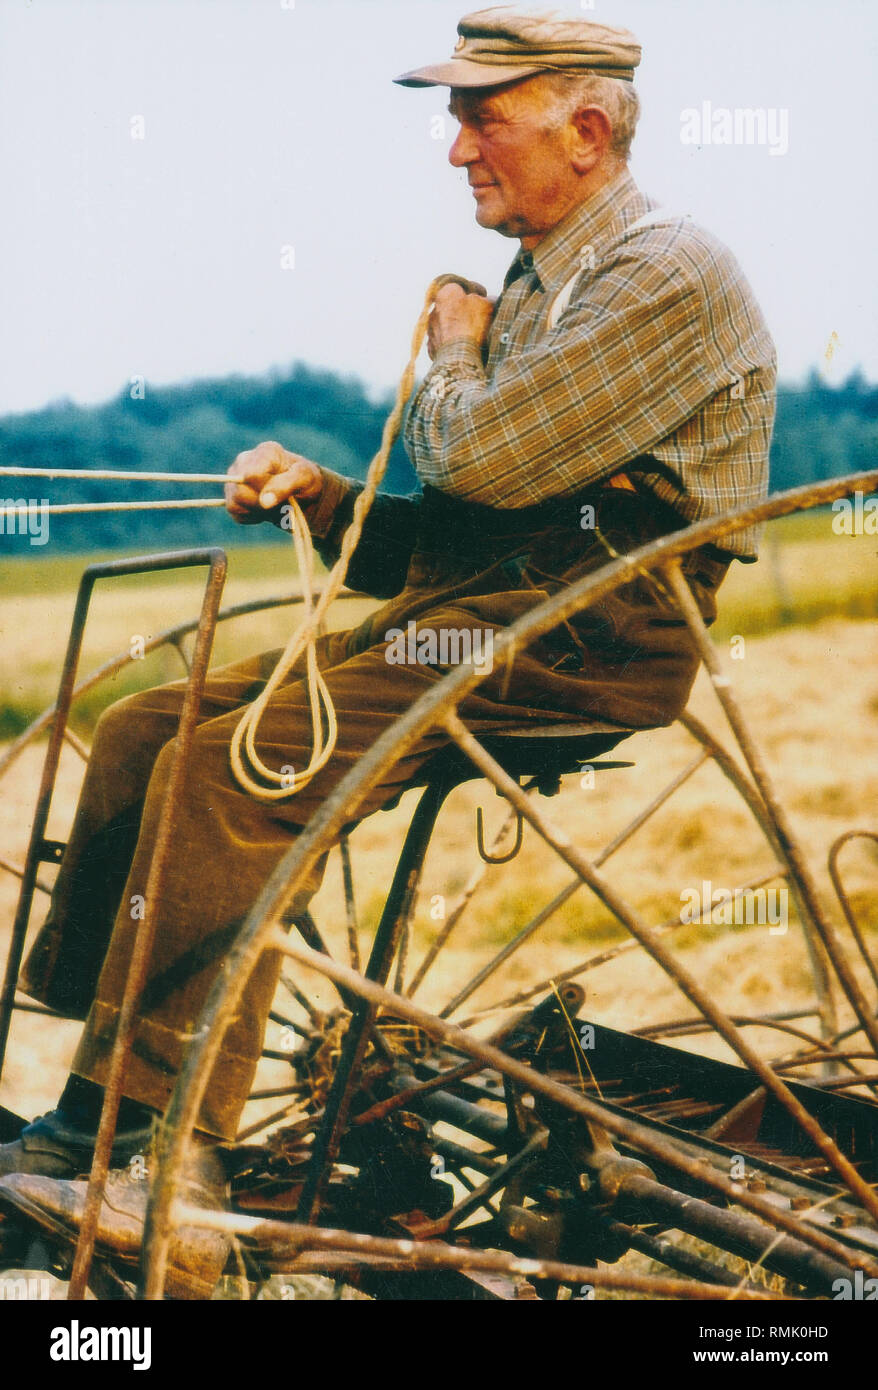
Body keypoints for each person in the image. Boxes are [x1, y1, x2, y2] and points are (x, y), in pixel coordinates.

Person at [0, 7, 776, 1295]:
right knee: (148, 731)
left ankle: (172, 1166)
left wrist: (457, 351)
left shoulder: (661, 271)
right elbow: (457, 530)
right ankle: (93, 1109)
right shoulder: (545, 280)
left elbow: (476, 455)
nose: (455, 146)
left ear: (585, 131)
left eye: (482, 115)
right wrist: (319, 494)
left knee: (238, 774)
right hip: (493, 609)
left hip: (590, 637)